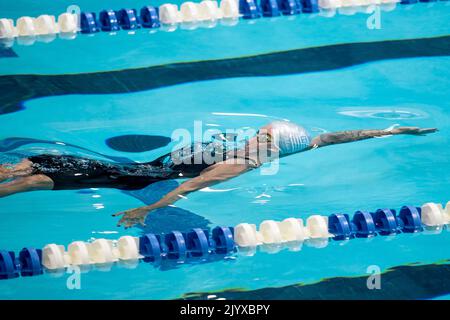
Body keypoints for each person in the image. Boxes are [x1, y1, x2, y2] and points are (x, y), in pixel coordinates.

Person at [0, 121, 437, 228]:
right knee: (34, 172)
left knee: (38, 177)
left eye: (263, 133)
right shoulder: (262, 146)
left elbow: (191, 184)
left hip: (132, 177)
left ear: (269, 144)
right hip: (131, 171)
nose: (258, 133)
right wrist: (388, 130)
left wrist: (149, 209)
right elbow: (331, 138)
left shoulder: (240, 162)